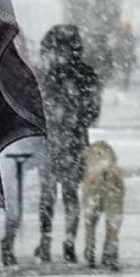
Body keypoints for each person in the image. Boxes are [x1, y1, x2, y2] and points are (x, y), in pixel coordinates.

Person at [36, 24, 101, 263]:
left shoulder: (46, 77)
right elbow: (93, 110)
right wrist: (77, 120)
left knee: (47, 193)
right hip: (75, 141)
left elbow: (33, 108)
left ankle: (45, 240)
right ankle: (69, 240)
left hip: (50, 141)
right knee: (71, 193)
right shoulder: (86, 74)